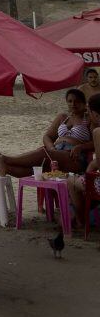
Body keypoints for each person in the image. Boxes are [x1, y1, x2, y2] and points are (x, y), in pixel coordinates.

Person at [0, 87, 94, 178]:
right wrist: (51, 148)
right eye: (70, 101)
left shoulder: (89, 119)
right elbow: (47, 136)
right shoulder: (63, 118)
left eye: (77, 101)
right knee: (38, 168)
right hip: (56, 151)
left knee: (43, 152)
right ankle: (6, 168)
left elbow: (97, 142)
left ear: (84, 103)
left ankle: (6, 159)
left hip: (74, 156)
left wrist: (80, 147)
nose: (73, 104)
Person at [68, 92, 100, 224]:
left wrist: (90, 168)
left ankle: (81, 221)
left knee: (71, 181)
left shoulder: (98, 132)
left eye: (89, 111)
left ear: (96, 114)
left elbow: (99, 163)